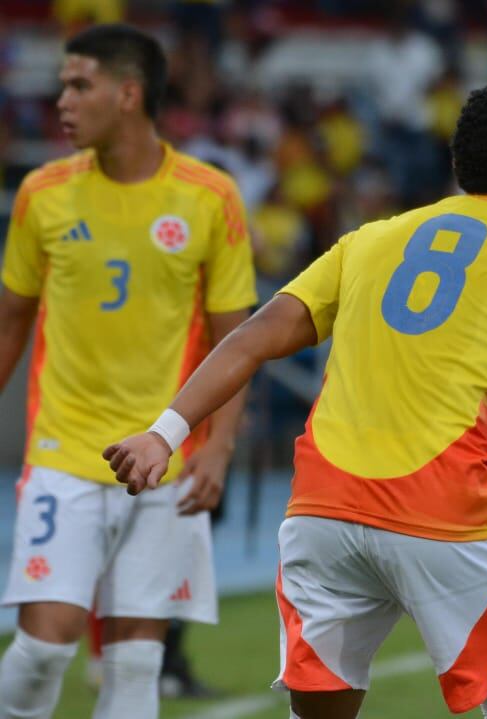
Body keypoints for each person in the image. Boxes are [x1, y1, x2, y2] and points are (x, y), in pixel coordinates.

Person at [104, 82, 487, 719]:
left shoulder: (371, 238)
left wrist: (162, 434)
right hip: (445, 517)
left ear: (459, 168)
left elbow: (254, 336)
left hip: (322, 512)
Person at [0, 24, 256, 719]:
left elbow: (238, 340)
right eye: (63, 84)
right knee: (44, 651)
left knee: (137, 663)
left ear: (129, 93)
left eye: (79, 84)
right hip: (63, 451)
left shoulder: (210, 197)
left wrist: (220, 448)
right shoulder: (42, 194)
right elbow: (11, 319)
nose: (61, 100)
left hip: (168, 458)